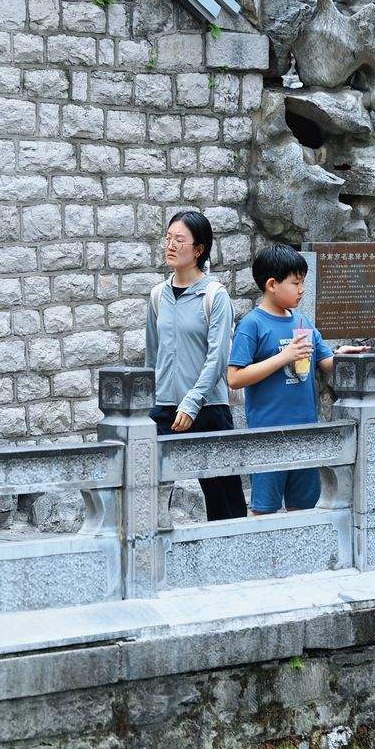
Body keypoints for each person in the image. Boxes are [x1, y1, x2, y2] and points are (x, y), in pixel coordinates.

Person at [227, 244, 364, 515]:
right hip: (267, 434)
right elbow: (235, 377)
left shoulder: (302, 321)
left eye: (303, 282)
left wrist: (343, 357)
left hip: (306, 430)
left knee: (304, 508)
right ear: (271, 284)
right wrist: (284, 357)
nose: (302, 289)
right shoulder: (252, 325)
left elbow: (325, 362)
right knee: (263, 509)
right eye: (296, 283)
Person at [145, 208, 246, 521]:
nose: (171, 245)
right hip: (163, 408)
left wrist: (191, 403)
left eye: (180, 240)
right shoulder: (157, 296)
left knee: (223, 500)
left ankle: (233, 556)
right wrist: (148, 401)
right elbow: (152, 355)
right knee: (147, 490)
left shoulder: (215, 296)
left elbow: (218, 359)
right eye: (168, 238)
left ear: (199, 249)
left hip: (207, 408)